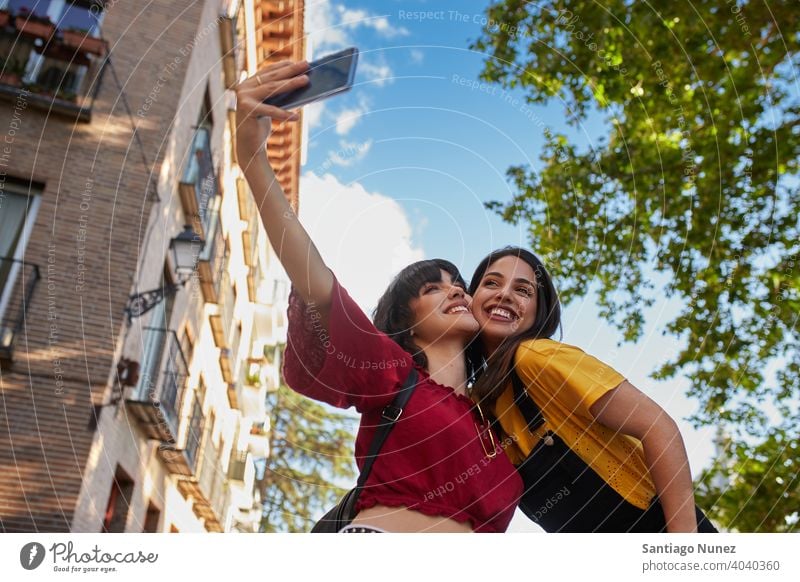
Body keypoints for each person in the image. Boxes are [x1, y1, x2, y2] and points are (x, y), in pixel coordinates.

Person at [235, 61, 521, 533]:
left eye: (459, 284)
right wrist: (253, 159)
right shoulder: (390, 372)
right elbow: (312, 277)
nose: (456, 289)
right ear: (406, 324)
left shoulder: (499, 421)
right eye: (433, 287)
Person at [467, 246, 717, 532]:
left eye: (523, 290)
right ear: (470, 298)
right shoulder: (480, 403)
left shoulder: (535, 357)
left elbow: (657, 426)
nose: (505, 294)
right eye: (491, 283)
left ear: (538, 313)